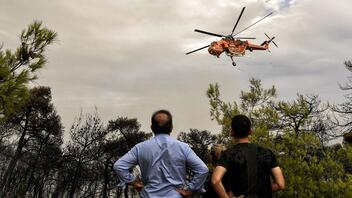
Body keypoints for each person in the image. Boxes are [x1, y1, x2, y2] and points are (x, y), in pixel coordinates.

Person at [114, 110, 209, 198]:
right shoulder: (183, 147)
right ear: (171, 127)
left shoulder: (140, 148)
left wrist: (133, 182)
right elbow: (202, 169)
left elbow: (119, 166)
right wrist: (190, 190)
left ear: (152, 128)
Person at [211, 115, 285, 198]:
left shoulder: (228, 154)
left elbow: (216, 180)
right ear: (250, 131)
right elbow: (280, 184)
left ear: (232, 132)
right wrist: (262, 190)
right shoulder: (266, 152)